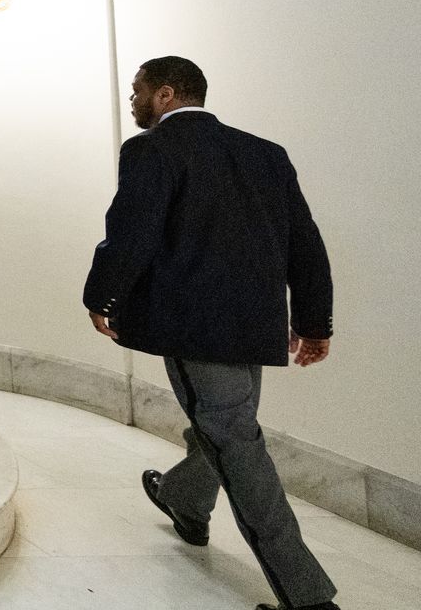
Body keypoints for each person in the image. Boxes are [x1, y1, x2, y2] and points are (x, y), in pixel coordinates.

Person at [84, 56, 339, 610]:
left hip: (194, 327)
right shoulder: (265, 153)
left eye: (138, 92)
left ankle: (308, 597)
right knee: (229, 427)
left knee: (235, 443)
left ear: (167, 94)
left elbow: (131, 231)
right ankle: (184, 500)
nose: (132, 102)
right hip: (256, 324)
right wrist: (314, 321)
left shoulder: (151, 149)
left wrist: (102, 296)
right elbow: (305, 242)